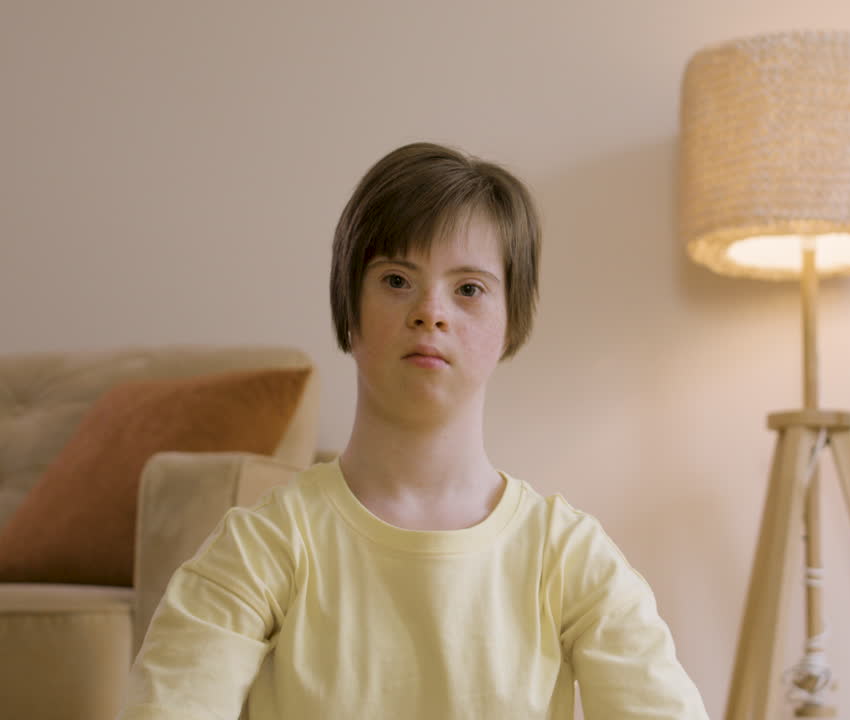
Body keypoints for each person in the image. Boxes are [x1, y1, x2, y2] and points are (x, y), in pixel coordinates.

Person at [119, 142, 709, 719]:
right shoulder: (262, 547)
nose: (431, 311)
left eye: (469, 289)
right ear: (350, 312)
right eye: (397, 280)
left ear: (511, 322)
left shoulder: (568, 555)